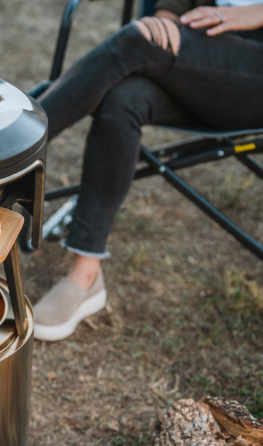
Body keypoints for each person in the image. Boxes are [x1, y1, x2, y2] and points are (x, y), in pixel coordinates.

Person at [32, 0, 263, 341]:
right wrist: (168, 17)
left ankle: (4, 151)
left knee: (139, 38)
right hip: (204, 47)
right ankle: (85, 274)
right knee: (124, 97)